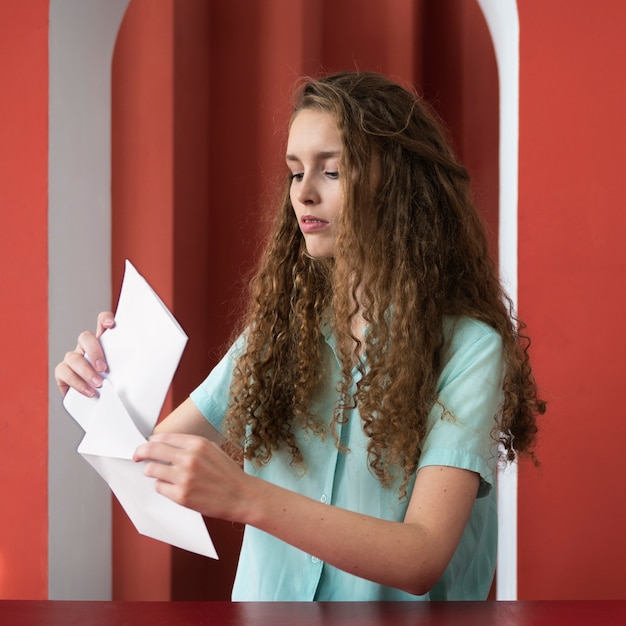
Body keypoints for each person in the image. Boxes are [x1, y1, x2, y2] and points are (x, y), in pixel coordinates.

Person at [55, 71, 545, 601]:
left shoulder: (469, 349)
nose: (303, 194)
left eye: (331, 171)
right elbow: (150, 462)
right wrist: (103, 382)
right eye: (295, 172)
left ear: (399, 184)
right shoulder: (280, 331)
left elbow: (422, 555)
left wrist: (247, 497)